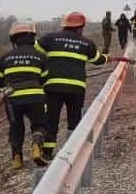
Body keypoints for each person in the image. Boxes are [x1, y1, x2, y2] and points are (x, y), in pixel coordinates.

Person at [35, 11, 108, 159]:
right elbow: (97, 60)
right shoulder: (86, 43)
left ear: (65, 26)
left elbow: (34, 51)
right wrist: (107, 57)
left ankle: (47, 153)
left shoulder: (49, 39)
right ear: (81, 27)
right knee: (74, 120)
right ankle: (71, 153)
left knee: (51, 119)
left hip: (53, 87)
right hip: (76, 88)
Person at [0, 22, 50, 169]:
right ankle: (37, 146)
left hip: (12, 98)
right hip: (35, 96)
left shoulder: (5, 58)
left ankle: (17, 158)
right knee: (39, 124)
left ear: (14, 40)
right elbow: (45, 78)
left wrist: (6, 86)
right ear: (33, 38)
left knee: (16, 127)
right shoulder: (40, 56)